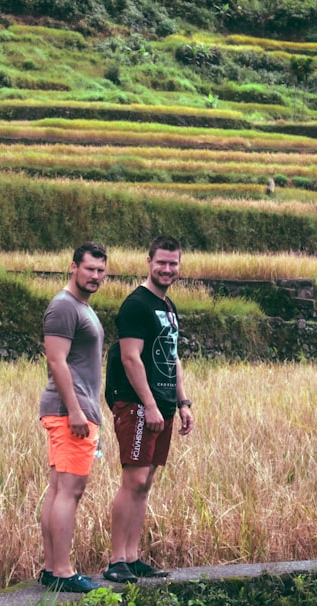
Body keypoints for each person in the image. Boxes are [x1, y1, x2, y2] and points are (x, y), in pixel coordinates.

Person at [103, 235, 194, 584]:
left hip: (164, 405)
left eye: (173, 264)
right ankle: (116, 560)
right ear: (148, 261)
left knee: (147, 481)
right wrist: (150, 406)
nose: (168, 269)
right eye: (162, 263)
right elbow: (130, 358)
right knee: (133, 479)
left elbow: (173, 359)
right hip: (139, 404)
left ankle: (132, 556)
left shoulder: (168, 307)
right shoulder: (136, 305)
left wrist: (182, 402)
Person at [38, 242, 108, 593]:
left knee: (59, 489)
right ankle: (62, 572)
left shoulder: (79, 306)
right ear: (73, 267)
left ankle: (52, 568)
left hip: (75, 410)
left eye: (100, 271)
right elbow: (56, 361)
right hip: (70, 412)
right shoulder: (64, 307)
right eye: (89, 269)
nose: (95, 276)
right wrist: (77, 410)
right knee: (70, 491)